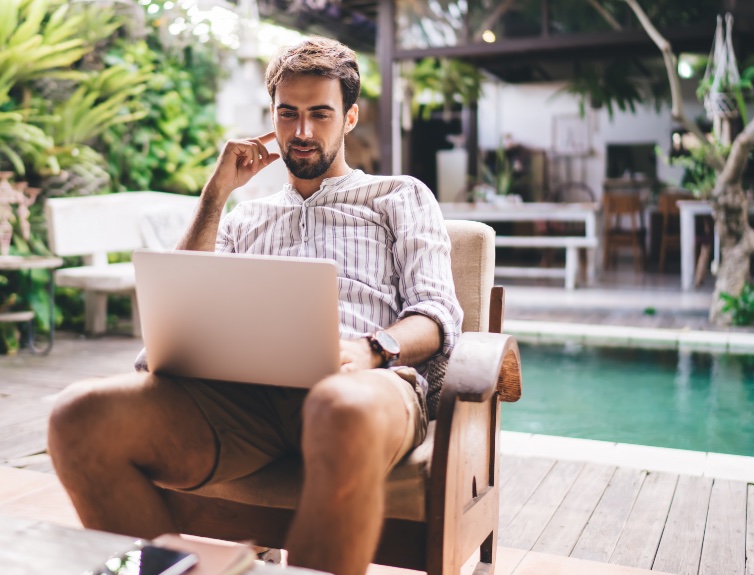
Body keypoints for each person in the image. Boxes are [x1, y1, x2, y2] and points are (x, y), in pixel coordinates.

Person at [47, 37, 463, 575]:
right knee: (77, 417)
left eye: (320, 114)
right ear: (272, 118)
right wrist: (215, 195)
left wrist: (372, 350)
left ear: (351, 118)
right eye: (288, 114)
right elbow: (183, 302)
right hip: (246, 405)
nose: (303, 131)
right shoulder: (245, 218)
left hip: (365, 389)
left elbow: (436, 312)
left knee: (338, 407)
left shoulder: (398, 196)